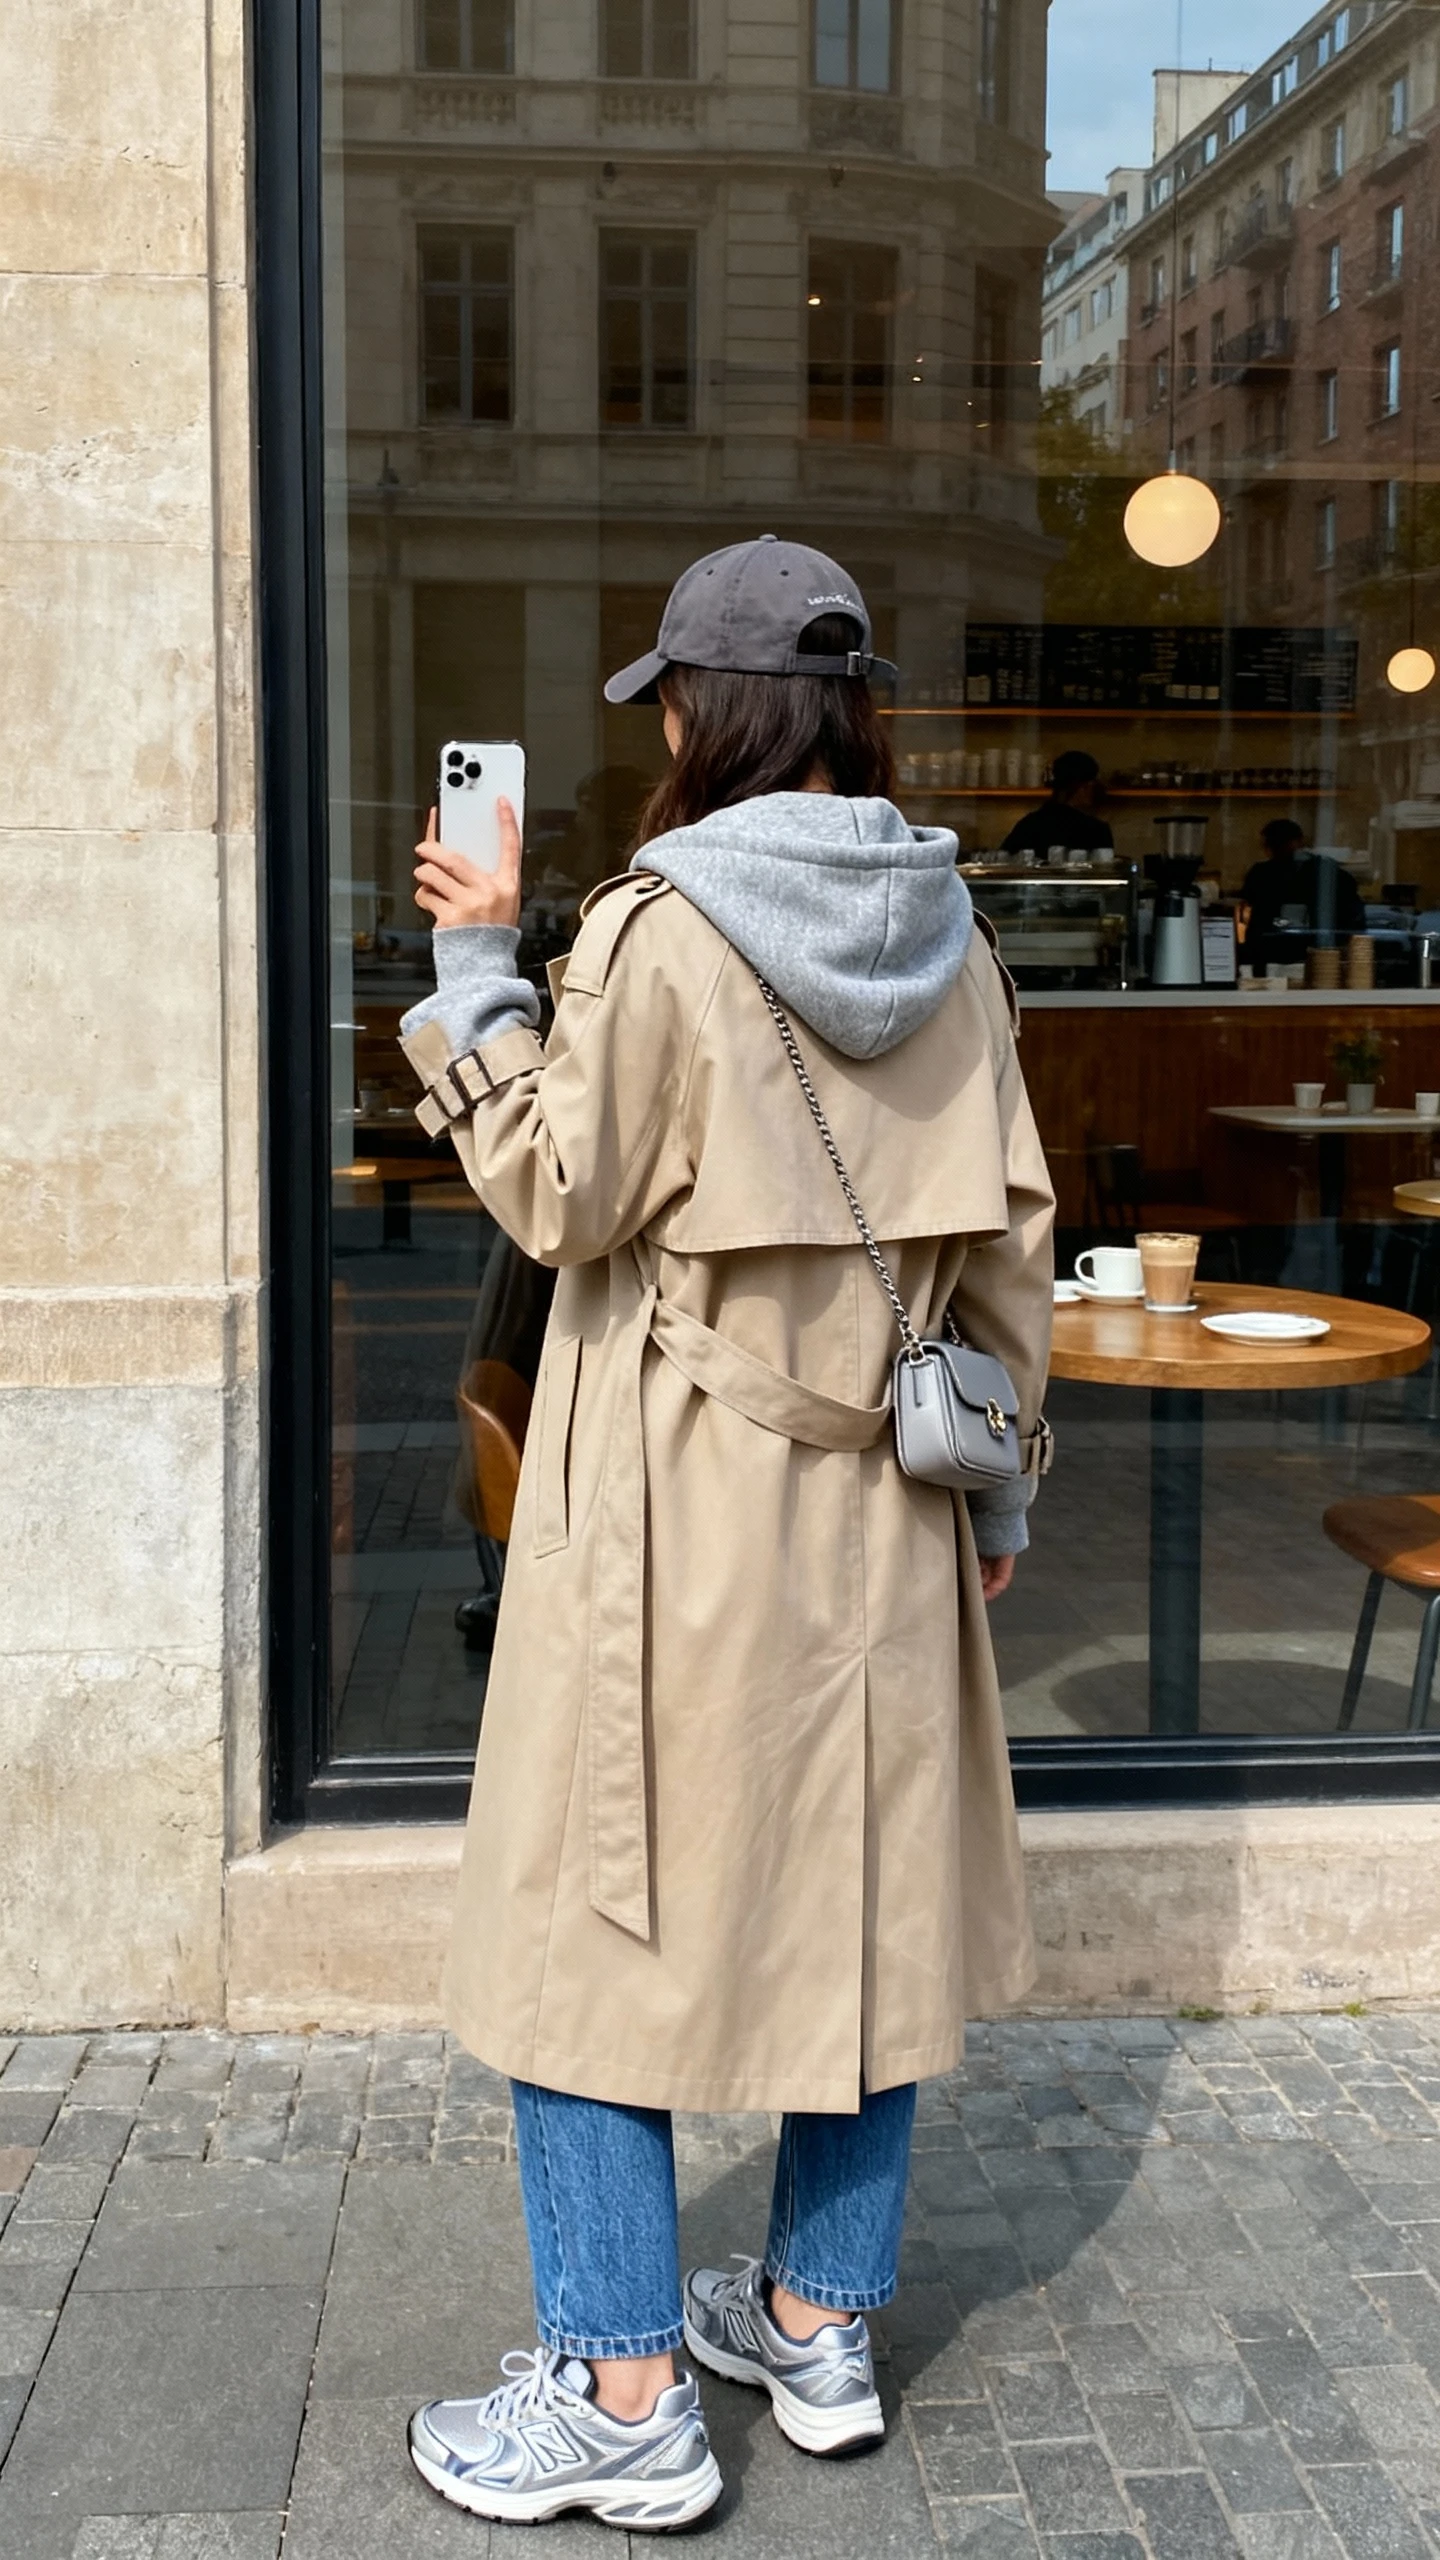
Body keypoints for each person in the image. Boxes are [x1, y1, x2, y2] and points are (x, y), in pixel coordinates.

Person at [395, 533, 1055, 2532]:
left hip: (677, 1502)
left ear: (709, 711)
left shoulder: (655, 931)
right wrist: (1000, 1483)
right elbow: (1011, 1243)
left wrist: (473, 973)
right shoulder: (955, 930)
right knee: (862, 1904)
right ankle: (817, 2318)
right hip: (883, 1507)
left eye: (671, 697)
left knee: (592, 1920)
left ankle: (618, 2395)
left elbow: (558, 1189)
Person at [1240, 816, 1365, 963]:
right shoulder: (1329, 871)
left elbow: (1248, 910)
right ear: (1300, 841)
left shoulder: (1261, 874)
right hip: (1318, 954)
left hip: (1271, 952)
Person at [1000, 746, 1113, 860]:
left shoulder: (1029, 825)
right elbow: (1105, 872)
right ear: (1084, 787)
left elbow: (1004, 863)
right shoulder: (1096, 830)